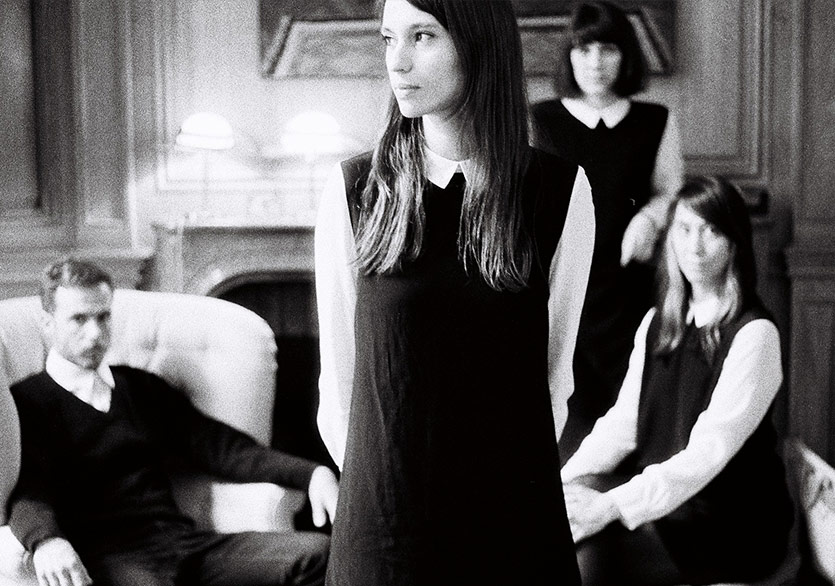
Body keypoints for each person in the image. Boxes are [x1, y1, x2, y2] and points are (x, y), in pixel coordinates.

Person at [314, 0, 595, 584]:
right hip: (387, 528)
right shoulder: (354, 189)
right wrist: (384, 488)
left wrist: (511, 484)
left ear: (477, 43)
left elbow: (554, 376)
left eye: (422, 36)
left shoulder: (560, 191)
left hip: (512, 525)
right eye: (388, 38)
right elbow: (340, 384)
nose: (397, 61)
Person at [8, 259, 339, 586]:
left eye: (103, 317)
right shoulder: (27, 401)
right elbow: (25, 488)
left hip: (185, 546)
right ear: (48, 322)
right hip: (113, 560)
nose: (95, 334)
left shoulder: (140, 386)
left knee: (317, 554)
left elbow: (222, 448)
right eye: (79, 319)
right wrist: (45, 540)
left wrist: (312, 473)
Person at [560, 176, 793, 585]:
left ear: (734, 243)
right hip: (670, 505)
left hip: (730, 523)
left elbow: (707, 456)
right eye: (684, 230)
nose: (695, 247)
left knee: (587, 556)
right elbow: (623, 425)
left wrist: (611, 505)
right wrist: (562, 482)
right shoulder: (657, 324)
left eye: (711, 231)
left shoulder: (755, 334)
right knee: (567, 518)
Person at [530, 0, 685, 457]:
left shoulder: (655, 120)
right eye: (584, 49)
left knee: (631, 425)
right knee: (564, 431)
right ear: (569, 56)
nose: (595, 62)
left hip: (628, 292)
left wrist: (650, 217)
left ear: (626, 56)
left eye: (608, 49)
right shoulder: (542, 119)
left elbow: (670, 192)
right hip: (562, 291)